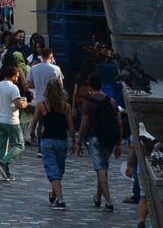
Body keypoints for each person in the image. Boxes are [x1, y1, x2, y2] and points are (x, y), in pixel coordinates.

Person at [75, 72, 121, 212]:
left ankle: (108, 201)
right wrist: (119, 143)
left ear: (89, 85)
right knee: (104, 167)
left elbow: (83, 125)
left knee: (100, 168)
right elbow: (119, 123)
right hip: (110, 138)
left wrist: (79, 142)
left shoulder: (89, 102)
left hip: (95, 138)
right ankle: (98, 197)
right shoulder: (111, 101)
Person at [0, 62, 28, 182]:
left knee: (2, 145)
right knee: (19, 144)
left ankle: (5, 172)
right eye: (17, 76)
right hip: (11, 120)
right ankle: (3, 162)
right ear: (12, 76)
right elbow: (18, 105)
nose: (17, 79)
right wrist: (25, 103)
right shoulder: (13, 88)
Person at [39, 79, 71, 210]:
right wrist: (75, 142)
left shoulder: (42, 105)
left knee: (54, 171)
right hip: (62, 140)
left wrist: (32, 134)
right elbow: (71, 126)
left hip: (47, 140)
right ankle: (56, 195)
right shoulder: (66, 106)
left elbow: (35, 122)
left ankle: (60, 199)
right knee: (59, 170)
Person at [28, 45, 62, 142]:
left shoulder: (33, 68)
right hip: (54, 101)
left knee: (41, 124)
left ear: (41, 56)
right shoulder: (56, 69)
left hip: (39, 100)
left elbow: (29, 85)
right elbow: (60, 86)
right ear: (51, 56)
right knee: (53, 123)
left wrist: (38, 85)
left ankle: (40, 146)